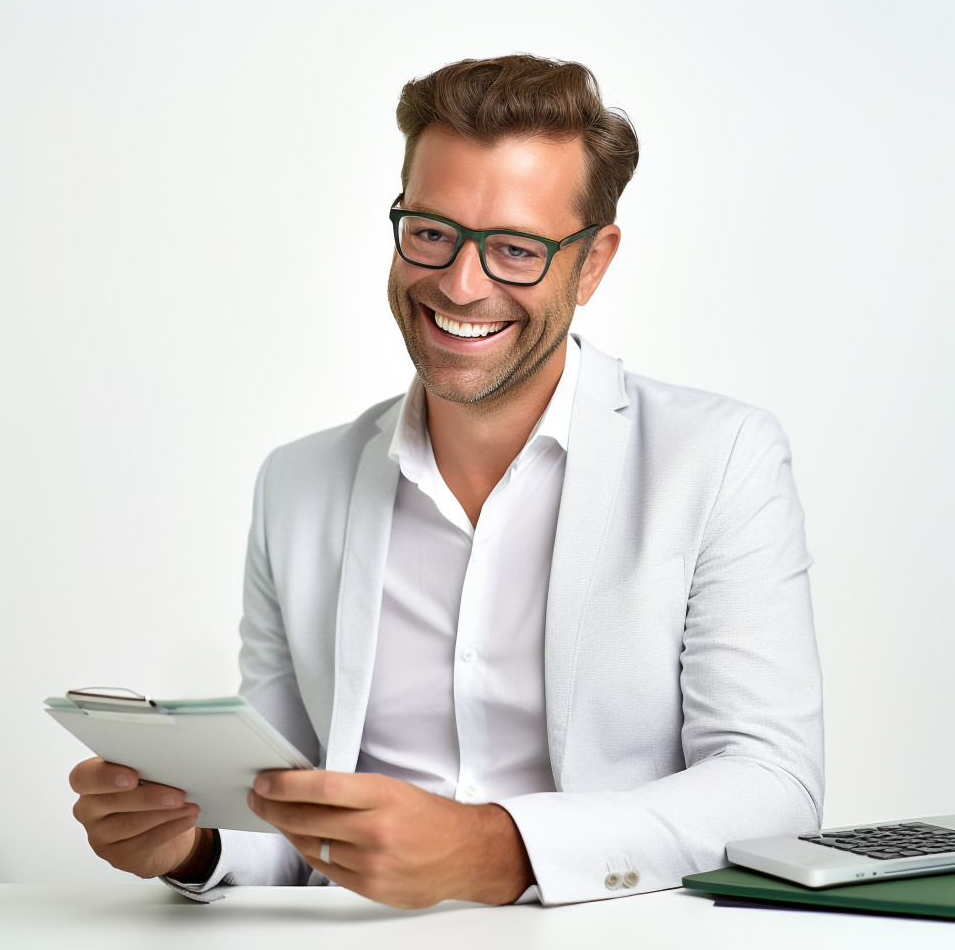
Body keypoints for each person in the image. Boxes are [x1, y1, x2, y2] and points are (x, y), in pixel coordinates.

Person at [69, 55, 824, 909]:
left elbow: (771, 784)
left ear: (594, 262)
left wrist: (501, 849)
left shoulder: (719, 460)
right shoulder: (296, 486)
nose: (462, 284)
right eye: (431, 232)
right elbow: (286, 804)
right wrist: (192, 837)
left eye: (515, 249)